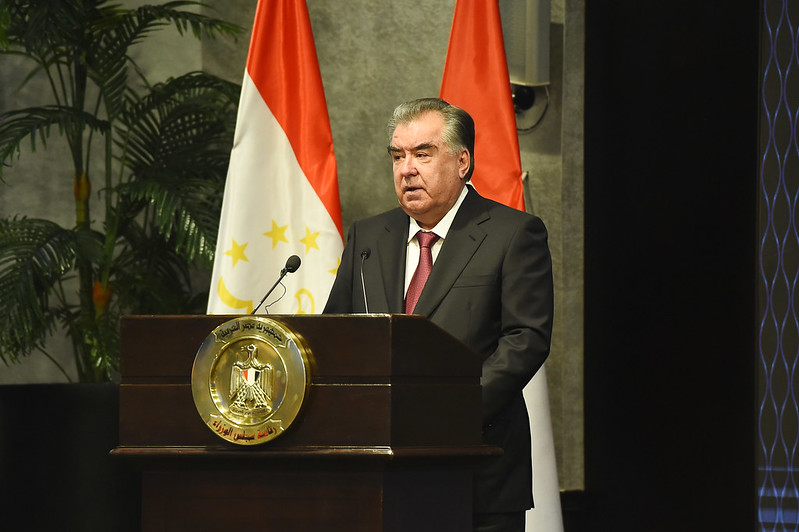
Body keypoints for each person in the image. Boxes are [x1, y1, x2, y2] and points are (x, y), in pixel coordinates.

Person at [323, 97, 554, 532]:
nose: (406, 169)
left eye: (422, 154)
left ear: (462, 162)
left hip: (475, 471)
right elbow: (337, 335)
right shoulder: (368, 236)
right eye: (398, 156)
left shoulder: (512, 234)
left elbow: (525, 339)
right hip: (379, 473)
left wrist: (447, 411)